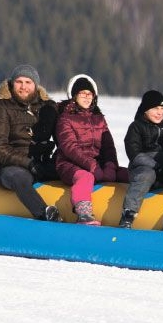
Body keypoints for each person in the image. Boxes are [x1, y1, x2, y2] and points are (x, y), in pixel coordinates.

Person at [0, 64, 62, 221]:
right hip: (12, 167)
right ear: (12, 83)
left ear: (36, 85)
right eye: (19, 82)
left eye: (28, 82)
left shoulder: (49, 107)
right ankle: (44, 214)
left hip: (43, 164)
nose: (23, 87)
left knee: (73, 171)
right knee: (20, 178)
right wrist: (28, 163)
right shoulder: (2, 107)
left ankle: (85, 214)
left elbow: (63, 137)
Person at [54, 74, 129, 225]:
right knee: (85, 177)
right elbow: (70, 148)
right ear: (74, 96)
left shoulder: (99, 118)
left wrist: (110, 165)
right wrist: (92, 166)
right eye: (83, 93)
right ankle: (84, 214)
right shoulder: (65, 118)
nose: (87, 97)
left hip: (97, 164)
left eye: (90, 94)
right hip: (70, 164)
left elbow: (108, 146)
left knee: (126, 173)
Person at [121, 90, 163, 228]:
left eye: (162, 108)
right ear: (145, 110)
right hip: (142, 168)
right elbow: (134, 154)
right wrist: (156, 165)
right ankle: (129, 213)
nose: (159, 112)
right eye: (155, 108)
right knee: (147, 175)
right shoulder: (136, 127)